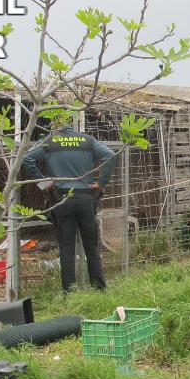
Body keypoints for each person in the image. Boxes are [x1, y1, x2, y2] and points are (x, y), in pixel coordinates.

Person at [21, 125, 118, 291]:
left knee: (67, 248)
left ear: (57, 127)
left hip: (62, 199)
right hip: (86, 198)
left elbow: (27, 159)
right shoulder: (87, 140)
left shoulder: (49, 141)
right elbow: (110, 155)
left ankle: (70, 292)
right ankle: (100, 289)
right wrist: (101, 183)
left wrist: (44, 183)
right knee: (92, 248)